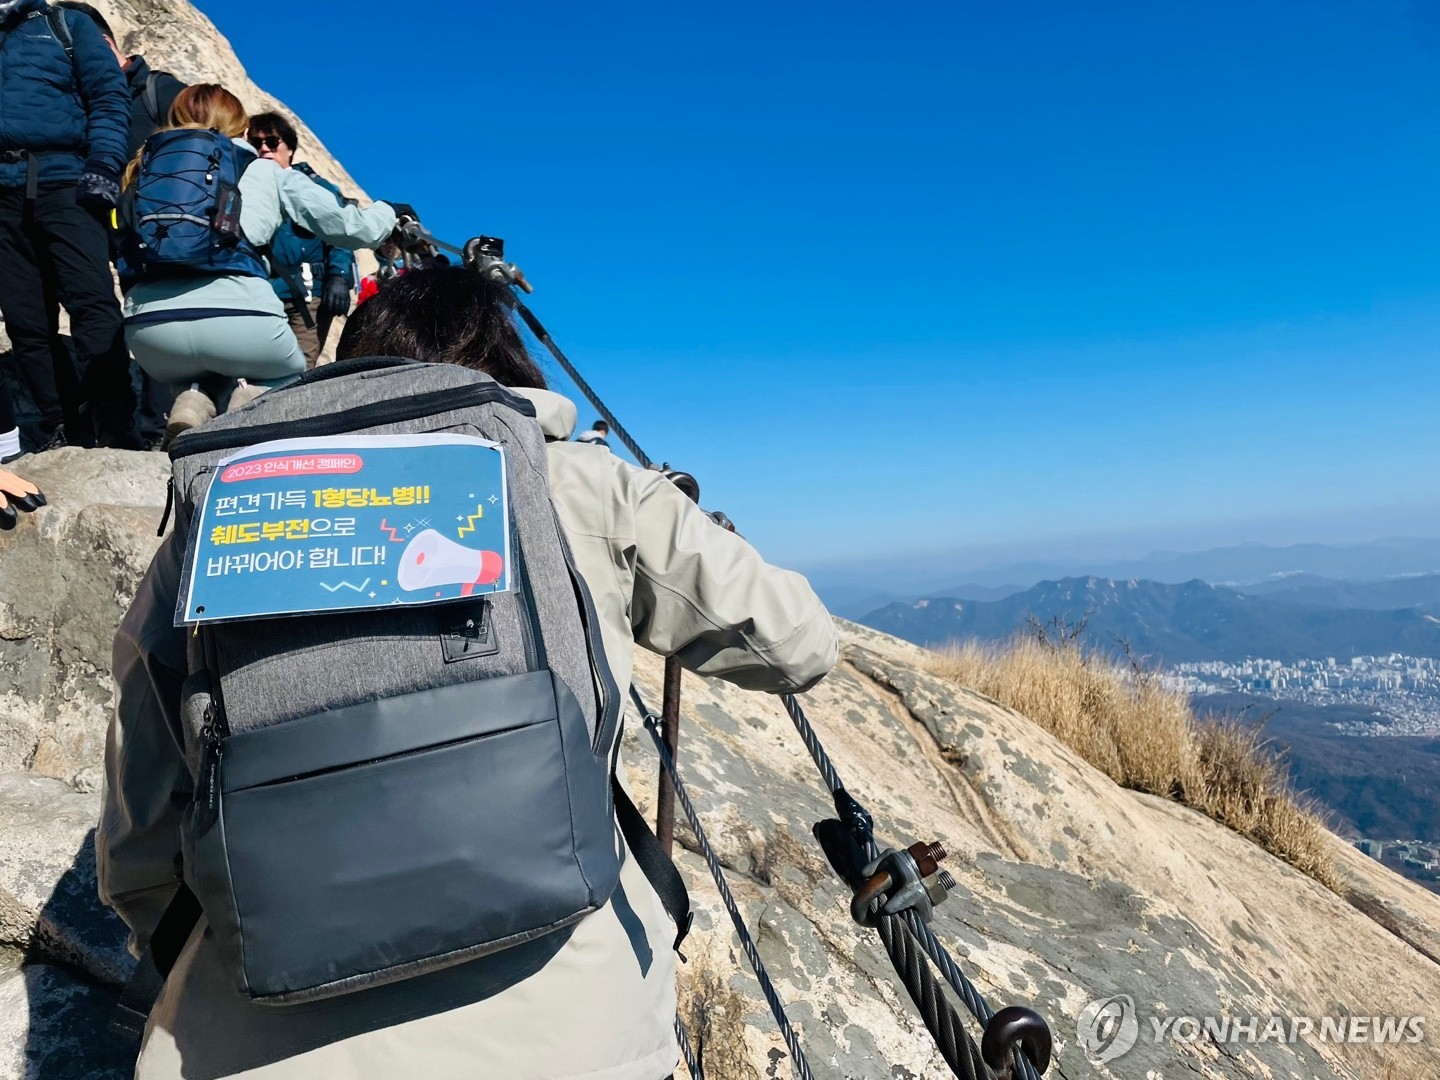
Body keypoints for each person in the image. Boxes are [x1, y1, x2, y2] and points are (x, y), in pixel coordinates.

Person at [98, 266, 839, 1079]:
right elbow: (801, 642)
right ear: (509, 372)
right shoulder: (581, 480)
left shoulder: (228, 506)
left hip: (250, 1047)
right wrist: (659, 511)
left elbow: (140, 823)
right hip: (579, 1035)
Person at [119, 84, 395, 440]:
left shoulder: (141, 169)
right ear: (241, 127)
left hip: (149, 332)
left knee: (198, 370)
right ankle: (254, 398)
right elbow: (353, 229)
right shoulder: (261, 169)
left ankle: (193, 398)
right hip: (240, 321)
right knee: (293, 377)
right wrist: (388, 213)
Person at [0, 0, 138, 452]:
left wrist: (103, 163)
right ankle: (62, 426)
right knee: (26, 321)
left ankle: (117, 425)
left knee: (91, 301)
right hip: (2, 193)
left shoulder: (66, 24)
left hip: (66, 180)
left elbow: (109, 96)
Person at [55, 0, 186, 448]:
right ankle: (138, 427)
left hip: (166, 229)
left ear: (105, 42)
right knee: (140, 316)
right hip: (117, 230)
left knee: (160, 319)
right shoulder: (84, 98)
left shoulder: (157, 89)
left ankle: (158, 431)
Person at [245, 111, 354, 366]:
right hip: (261, 294)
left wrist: (339, 276)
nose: (264, 149)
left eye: (272, 142)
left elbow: (339, 232)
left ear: (290, 149)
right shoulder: (246, 188)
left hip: (308, 297)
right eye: (256, 143)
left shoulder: (315, 188)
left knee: (299, 370)